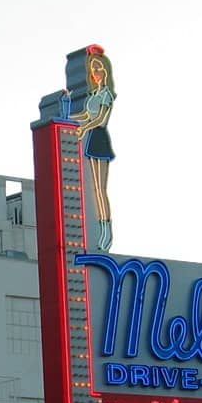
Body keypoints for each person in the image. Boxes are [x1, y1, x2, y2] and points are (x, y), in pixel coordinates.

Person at [69, 47, 116, 251]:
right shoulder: (93, 95)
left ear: (105, 70)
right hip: (91, 139)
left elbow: (101, 120)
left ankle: (106, 229)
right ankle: (101, 229)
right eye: (93, 69)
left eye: (99, 68)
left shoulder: (106, 95)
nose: (96, 73)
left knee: (101, 188)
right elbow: (86, 116)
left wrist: (84, 128)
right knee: (95, 188)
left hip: (99, 138)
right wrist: (68, 118)